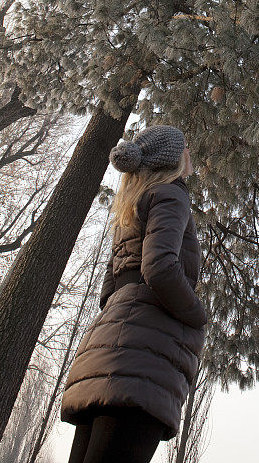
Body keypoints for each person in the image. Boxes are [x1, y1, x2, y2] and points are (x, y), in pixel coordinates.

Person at [60, 125, 208, 463]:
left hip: (104, 351)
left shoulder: (131, 205)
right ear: (173, 158)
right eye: (185, 149)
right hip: (144, 362)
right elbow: (159, 268)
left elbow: (109, 289)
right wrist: (197, 316)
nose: (190, 155)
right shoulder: (171, 193)